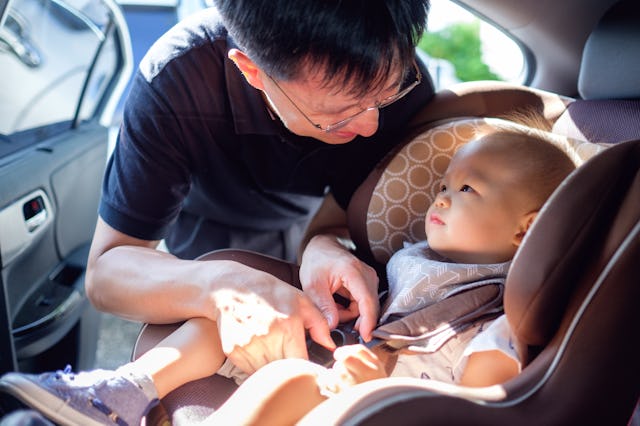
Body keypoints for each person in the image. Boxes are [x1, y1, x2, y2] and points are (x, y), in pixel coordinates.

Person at [0, 125, 577, 425]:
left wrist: (379, 385)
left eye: (468, 190)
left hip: (389, 401)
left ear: (526, 231)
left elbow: (481, 404)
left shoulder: (499, 310)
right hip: (346, 353)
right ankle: (123, 393)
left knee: (288, 383)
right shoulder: (417, 256)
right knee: (219, 315)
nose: (443, 198)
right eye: (444, 184)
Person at [87, 0, 433, 386]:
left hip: (312, 211)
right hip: (211, 217)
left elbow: (353, 207)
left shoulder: (402, 84)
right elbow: (106, 273)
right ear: (252, 71)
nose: (372, 125)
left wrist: (323, 243)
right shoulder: (178, 79)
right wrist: (220, 286)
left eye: (383, 96)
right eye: (341, 113)